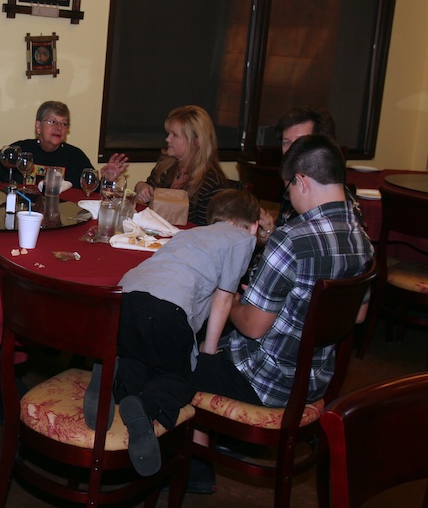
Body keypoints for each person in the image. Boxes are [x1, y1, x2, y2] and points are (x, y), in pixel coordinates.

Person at [188, 134, 373, 492]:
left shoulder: (292, 238)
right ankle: (219, 441)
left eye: (288, 187)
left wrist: (231, 299)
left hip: (264, 383)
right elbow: (359, 315)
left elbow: (254, 328)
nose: (288, 195)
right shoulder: (361, 238)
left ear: (301, 181)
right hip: (315, 379)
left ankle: (195, 468)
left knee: (169, 352)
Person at [104, 189, 260, 479]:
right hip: (168, 309)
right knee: (183, 378)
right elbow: (223, 299)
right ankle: (144, 407)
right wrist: (207, 354)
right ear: (253, 226)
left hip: (126, 298)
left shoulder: (189, 234)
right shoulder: (244, 239)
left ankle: (113, 378)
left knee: (141, 359)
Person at [0, 100, 128, 188]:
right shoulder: (19, 151)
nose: (58, 127)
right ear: (38, 126)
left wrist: (108, 180)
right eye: (52, 121)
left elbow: (91, 194)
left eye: (64, 123)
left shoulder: (75, 157)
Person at [256, 107, 361, 244]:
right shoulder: (293, 184)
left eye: (300, 141)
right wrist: (269, 232)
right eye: (286, 143)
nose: (291, 150)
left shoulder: (332, 201)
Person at [133, 105, 228, 226]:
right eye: (169, 134)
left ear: (196, 142)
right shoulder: (165, 167)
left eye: (174, 135)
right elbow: (146, 202)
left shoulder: (212, 184)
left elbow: (205, 231)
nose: (167, 139)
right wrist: (140, 186)